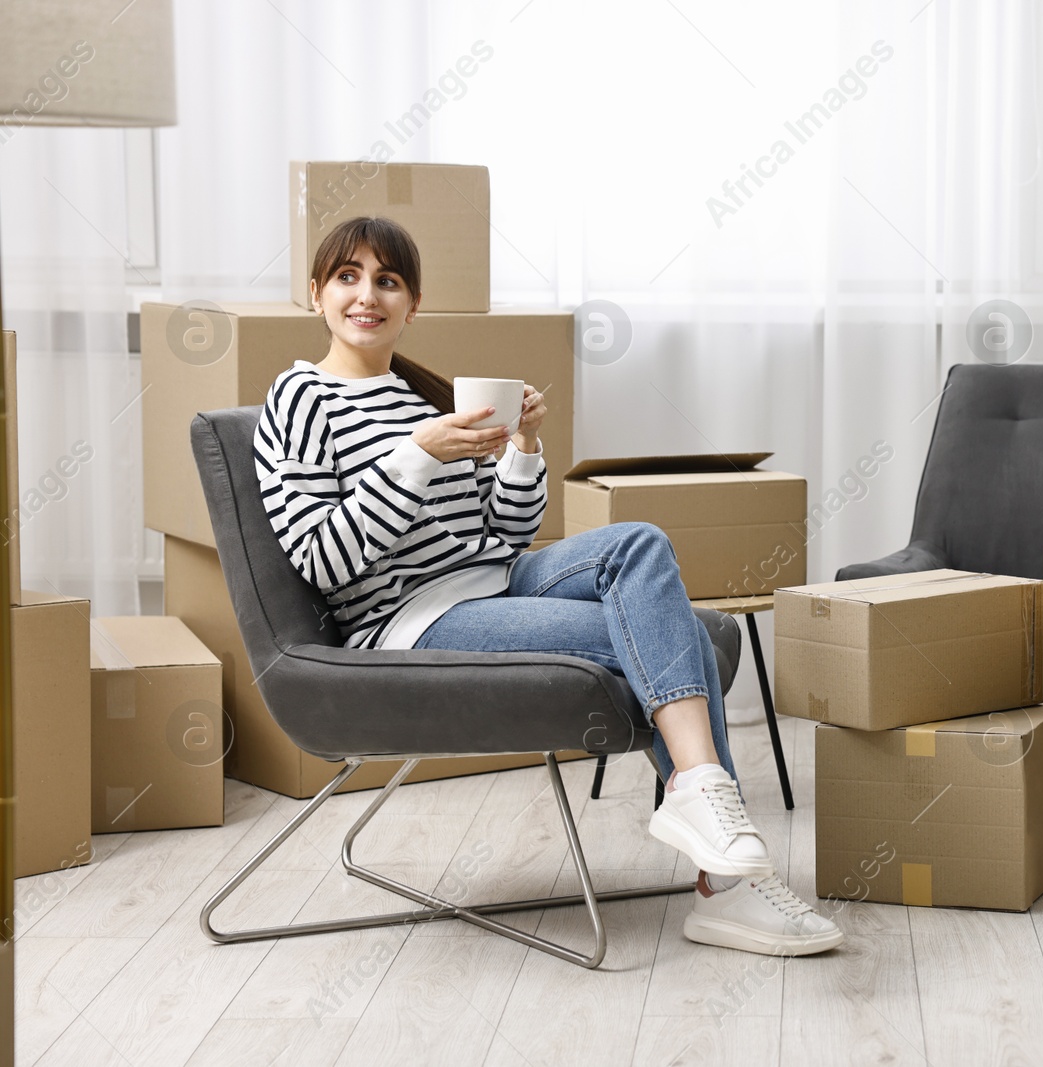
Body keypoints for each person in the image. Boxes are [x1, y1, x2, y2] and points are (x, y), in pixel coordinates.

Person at [254, 215, 841, 957]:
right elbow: (321, 559)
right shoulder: (300, 400)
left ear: (414, 304)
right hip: (413, 617)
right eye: (348, 276)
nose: (366, 294)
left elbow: (502, 534)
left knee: (640, 542)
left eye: (387, 280)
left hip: (496, 580)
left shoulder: (422, 398)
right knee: (677, 635)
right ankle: (725, 877)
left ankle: (700, 800)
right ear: (316, 294)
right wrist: (415, 455)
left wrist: (523, 447)